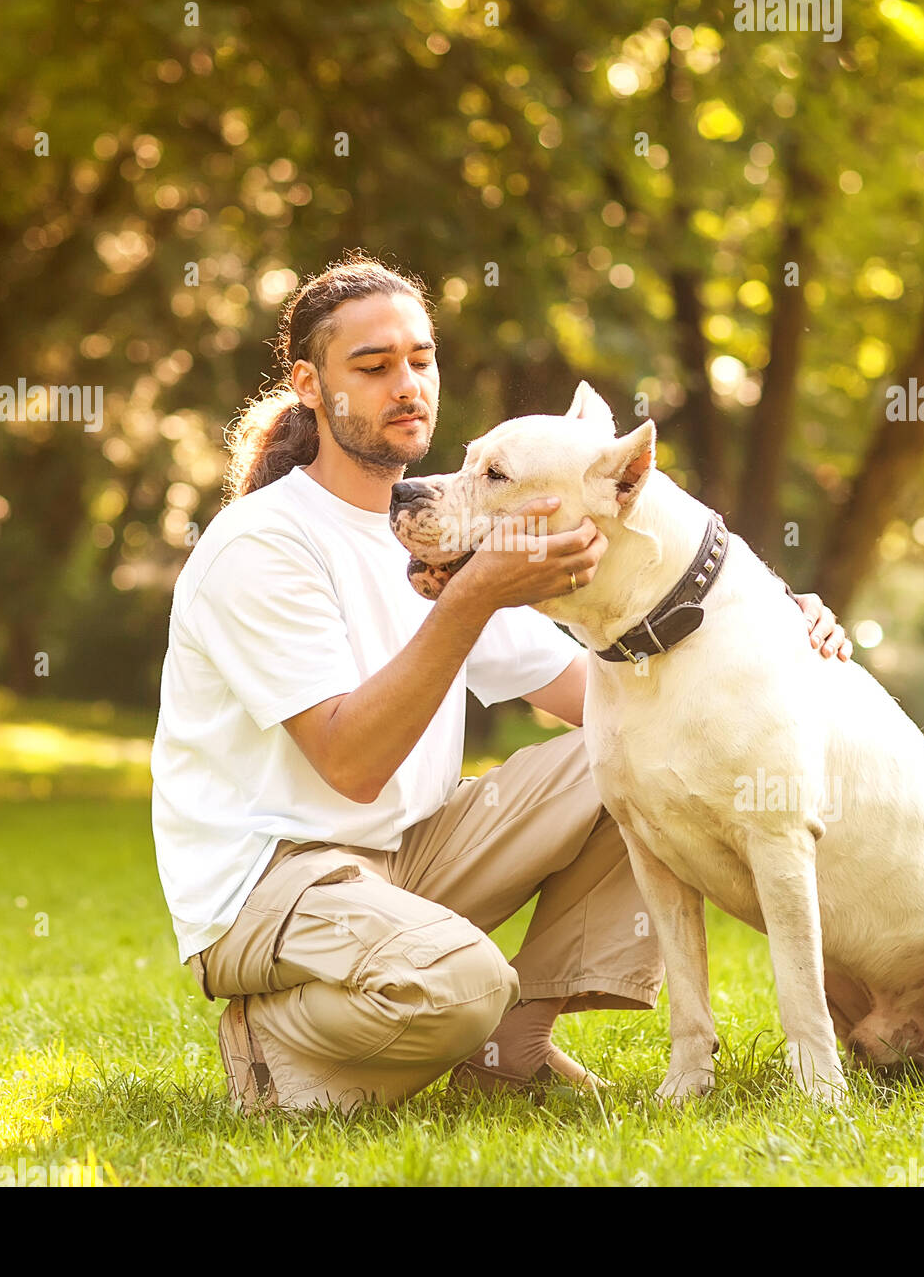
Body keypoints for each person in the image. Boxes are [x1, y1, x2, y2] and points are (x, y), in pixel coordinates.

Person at [150, 253, 852, 1114]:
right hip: (274, 881)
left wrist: (770, 622)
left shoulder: (444, 527)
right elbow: (349, 763)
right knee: (463, 987)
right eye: (371, 368)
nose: (406, 385)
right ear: (308, 384)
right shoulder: (263, 545)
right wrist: (475, 596)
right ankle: (274, 1045)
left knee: (626, 754)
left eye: (420, 359)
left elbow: (608, 691)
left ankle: (513, 1044)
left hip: (408, 855)